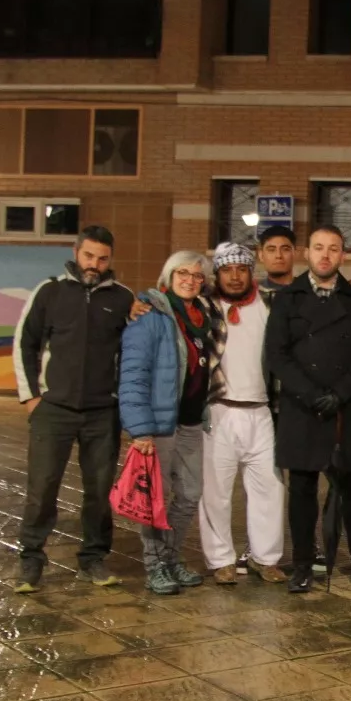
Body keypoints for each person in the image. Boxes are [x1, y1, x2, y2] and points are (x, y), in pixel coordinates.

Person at [14, 226, 136, 593]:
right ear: (76, 252)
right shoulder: (49, 291)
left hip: (102, 412)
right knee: (42, 487)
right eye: (89, 256)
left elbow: (133, 350)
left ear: (110, 258)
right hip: (54, 409)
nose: (95, 265)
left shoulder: (123, 298)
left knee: (99, 490)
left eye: (102, 258)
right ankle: (31, 559)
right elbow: (25, 342)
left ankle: (93, 559)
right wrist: (31, 397)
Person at [267, 225, 351, 593]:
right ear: (307, 252)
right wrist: (309, 393)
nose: (325, 255)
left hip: (345, 409)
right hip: (301, 409)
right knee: (302, 490)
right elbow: (277, 355)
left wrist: (340, 392)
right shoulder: (288, 299)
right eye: (318, 247)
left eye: (333, 249)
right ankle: (303, 563)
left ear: (343, 255)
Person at [118, 251, 222, 595]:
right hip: (160, 426)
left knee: (190, 493)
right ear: (169, 275)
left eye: (196, 275)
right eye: (183, 273)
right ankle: (155, 566)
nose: (190, 280)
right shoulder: (151, 315)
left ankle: (172, 558)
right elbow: (133, 374)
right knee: (155, 500)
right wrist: (139, 428)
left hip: (191, 421)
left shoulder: (202, 315)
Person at [196, 242, 288, 586]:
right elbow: (168, 301)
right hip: (218, 411)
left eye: (241, 269)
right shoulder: (203, 307)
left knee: (270, 488)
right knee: (215, 491)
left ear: (252, 271)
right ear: (216, 274)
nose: (234, 277)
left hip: (262, 411)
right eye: (226, 270)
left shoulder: (270, 304)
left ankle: (266, 559)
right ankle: (221, 560)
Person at [257, 226, 297, 295]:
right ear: (261, 255)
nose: (278, 255)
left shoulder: (311, 292)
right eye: (271, 250)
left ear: (294, 254)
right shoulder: (252, 295)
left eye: (285, 249)